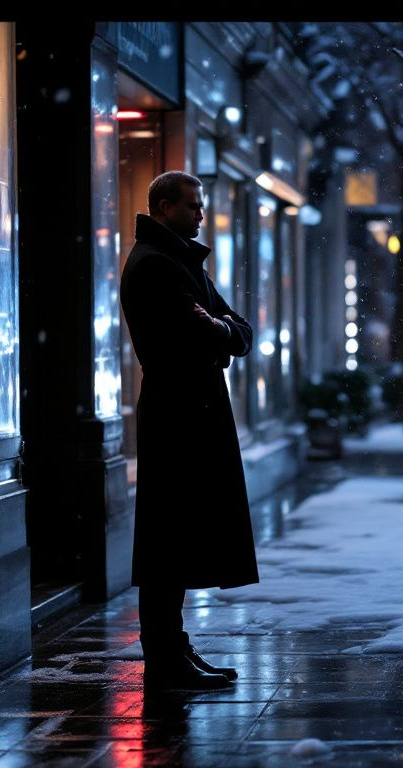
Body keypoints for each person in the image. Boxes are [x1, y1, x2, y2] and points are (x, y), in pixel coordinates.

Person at [120, 171, 257, 690]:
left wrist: (219, 331)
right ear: (162, 207)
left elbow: (236, 330)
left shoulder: (177, 261)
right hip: (179, 413)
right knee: (167, 541)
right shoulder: (157, 265)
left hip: (190, 409)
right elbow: (197, 339)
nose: (201, 215)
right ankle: (165, 655)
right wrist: (220, 334)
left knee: (173, 539)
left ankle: (173, 649)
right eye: (192, 206)